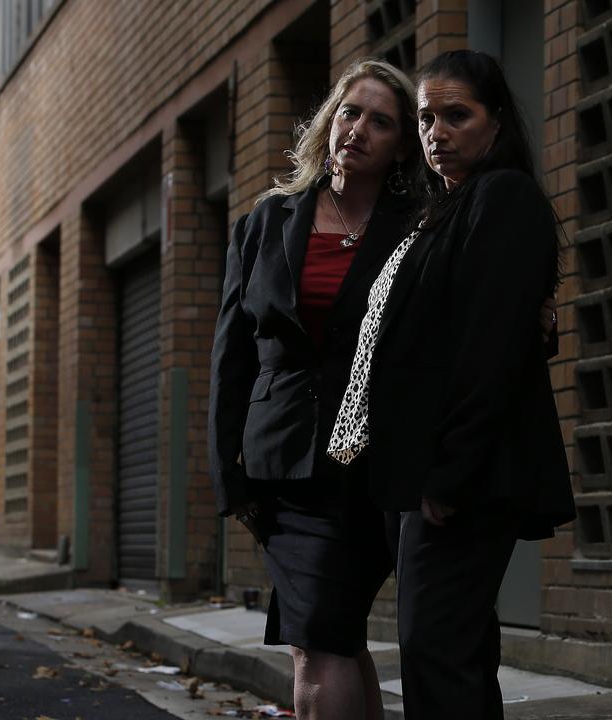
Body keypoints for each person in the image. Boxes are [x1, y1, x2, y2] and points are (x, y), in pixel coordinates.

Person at [327, 50, 576, 720]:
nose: (437, 132)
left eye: (456, 115)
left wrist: (449, 475)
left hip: (462, 480)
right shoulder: (447, 208)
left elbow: (490, 350)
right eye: (428, 117)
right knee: (449, 651)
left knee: (437, 655)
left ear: (496, 122)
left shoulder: (505, 198)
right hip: (426, 475)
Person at [207, 58, 422, 720]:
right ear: (329, 120)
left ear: (400, 146)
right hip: (285, 465)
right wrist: (228, 475)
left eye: (380, 121)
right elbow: (231, 356)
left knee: (336, 630)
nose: (357, 129)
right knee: (318, 642)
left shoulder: (418, 227)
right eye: (349, 111)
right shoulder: (266, 223)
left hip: (377, 466)